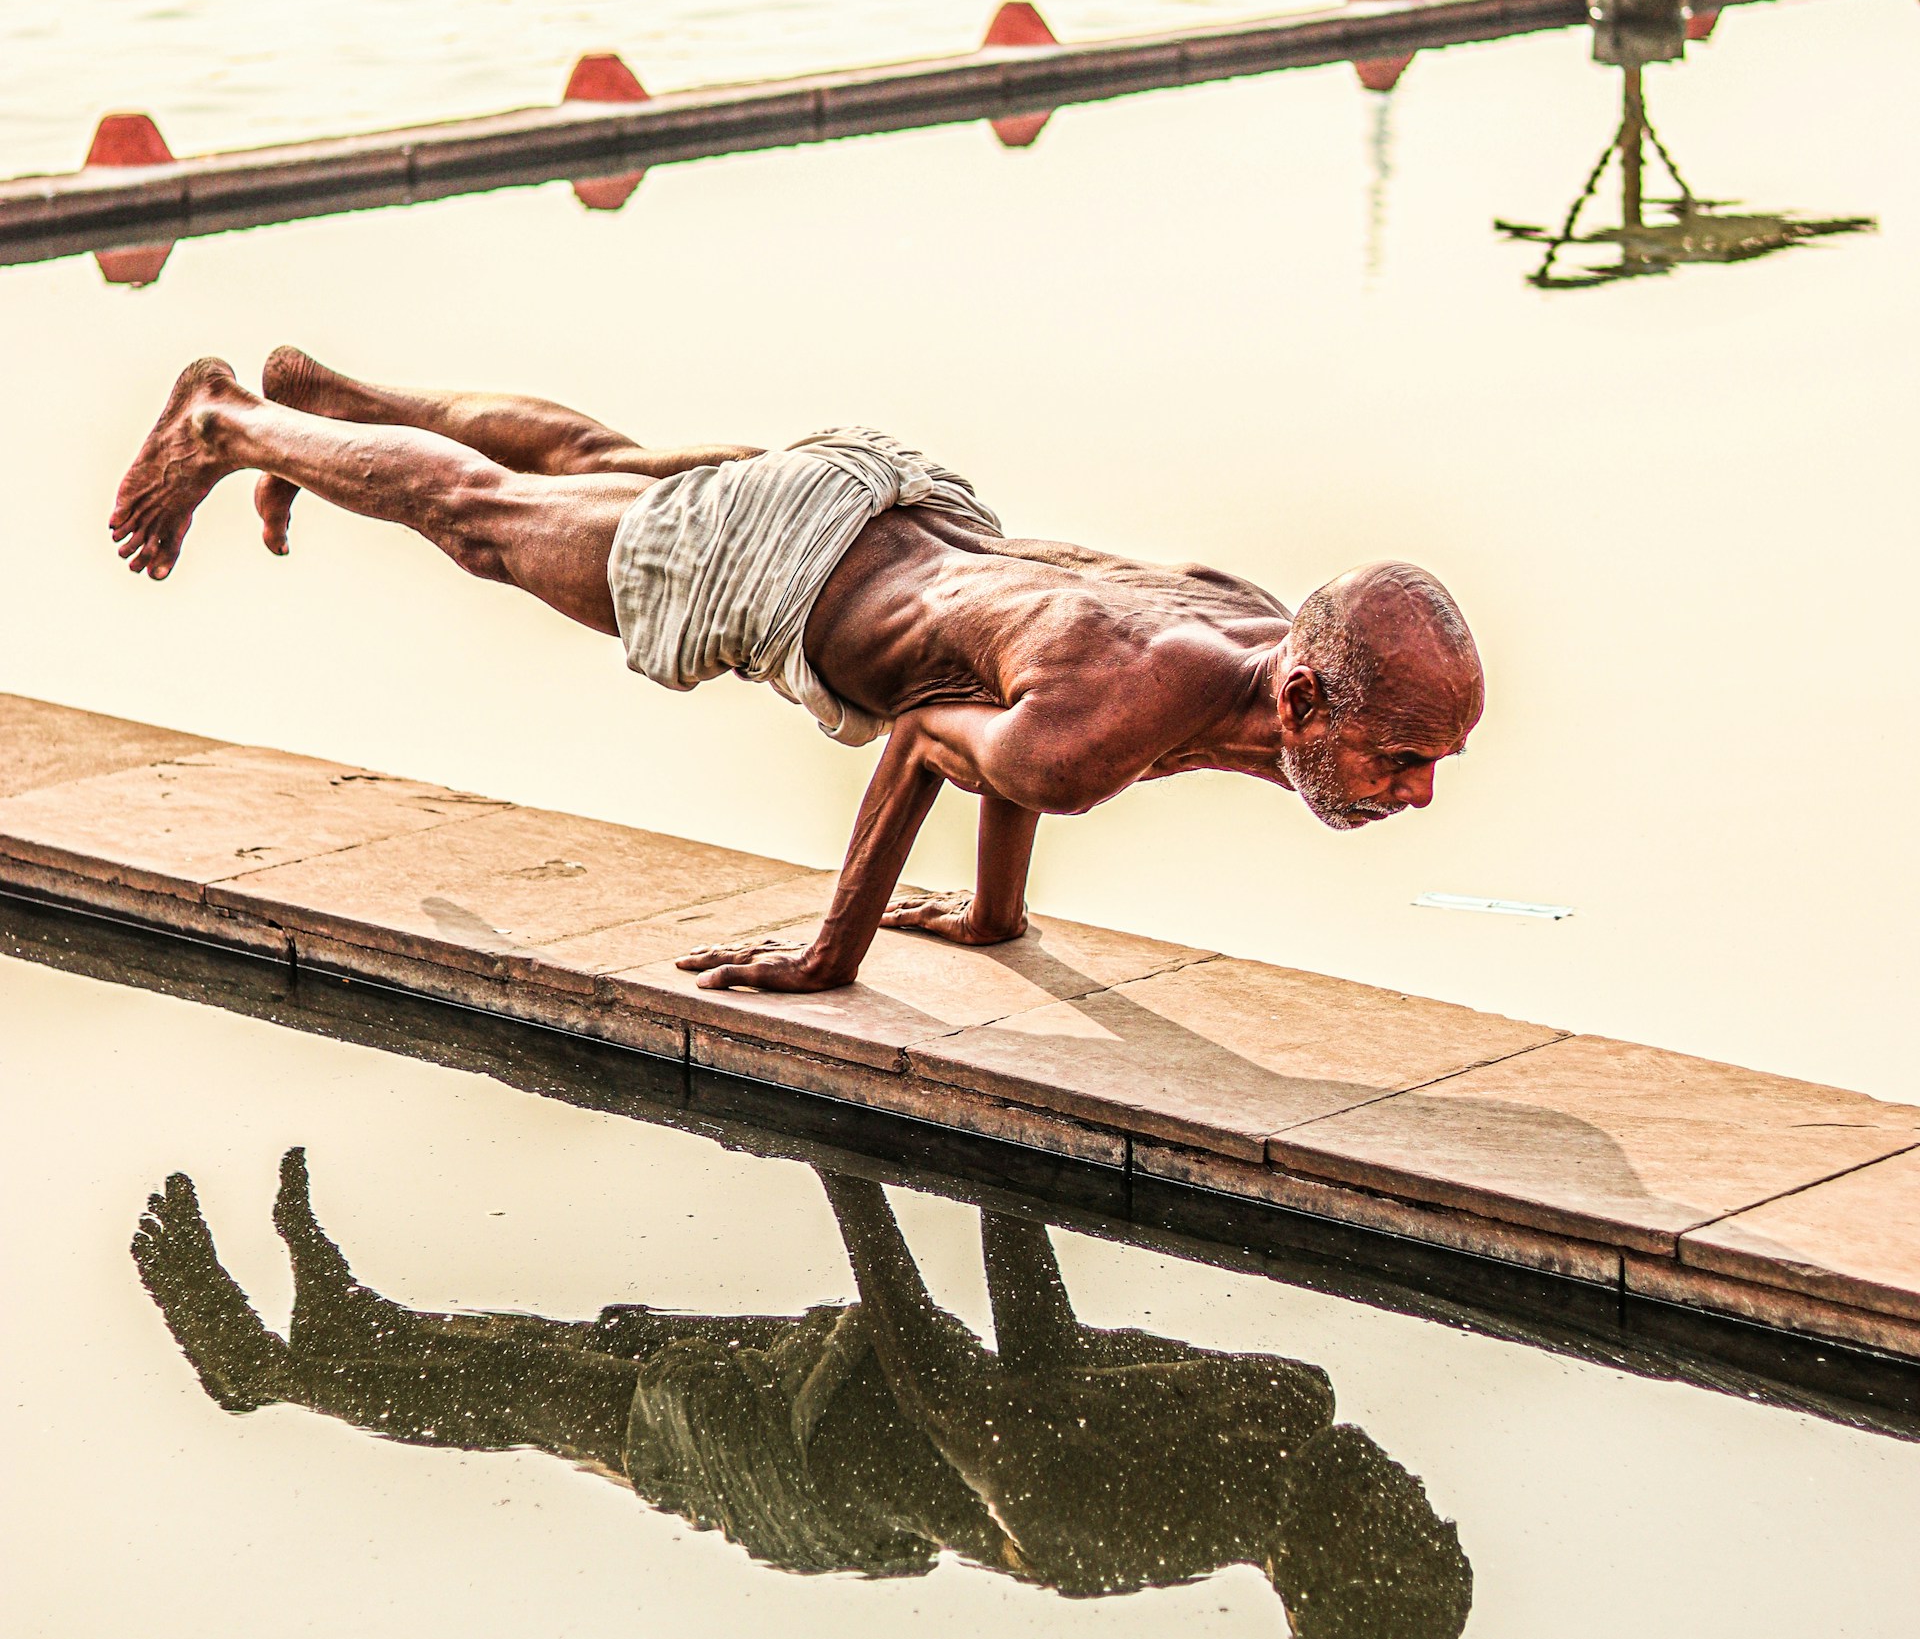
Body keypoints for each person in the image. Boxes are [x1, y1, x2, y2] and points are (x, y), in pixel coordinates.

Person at [110, 351, 1484, 994]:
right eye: (1399, 759)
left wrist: (999, 918)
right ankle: (231, 420)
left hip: (891, 499)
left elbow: (1034, 712)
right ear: (1306, 698)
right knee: (484, 524)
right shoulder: (1125, 721)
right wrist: (834, 953)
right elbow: (940, 736)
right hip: (789, 569)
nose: (1414, 794)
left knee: (590, 470)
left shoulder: (1248, 628)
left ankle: (331, 402)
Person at [133, 1146, 1475, 1639]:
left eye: (1422, 1534)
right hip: (849, 1384)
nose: (1431, 1497)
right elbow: (1047, 1358)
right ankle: (343, 1337)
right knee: (590, 1355)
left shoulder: (1101, 1537)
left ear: (1337, 1572)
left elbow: (959, 1383)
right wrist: (1001, 1170)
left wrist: (853, 1163)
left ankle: (278, 1372)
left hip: (807, 1472)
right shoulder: (1280, 1417)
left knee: (567, 1397)